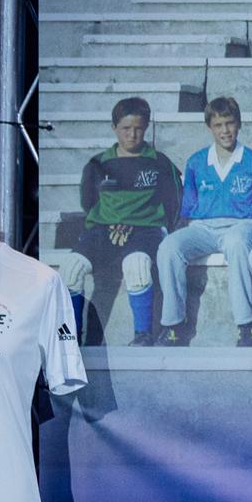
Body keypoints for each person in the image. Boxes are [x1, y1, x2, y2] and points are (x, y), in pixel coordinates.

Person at [156, 96, 252, 346]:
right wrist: (182, 227)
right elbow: (188, 205)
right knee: (169, 247)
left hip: (243, 223)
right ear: (209, 127)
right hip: (204, 226)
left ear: (239, 124)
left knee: (236, 243)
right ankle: (173, 325)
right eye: (218, 125)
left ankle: (247, 325)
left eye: (229, 123)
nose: (225, 130)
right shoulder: (197, 162)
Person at [71, 97, 181, 346]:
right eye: (126, 128)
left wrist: (142, 224)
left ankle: (143, 335)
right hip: (104, 230)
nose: (132, 135)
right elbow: (88, 202)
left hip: (146, 231)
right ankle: (72, 337)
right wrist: (112, 222)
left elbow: (173, 201)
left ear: (147, 127)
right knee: (71, 268)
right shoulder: (98, 163)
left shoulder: (159, 162)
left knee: (137, 264)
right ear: (114, 128)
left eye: (138, 128)